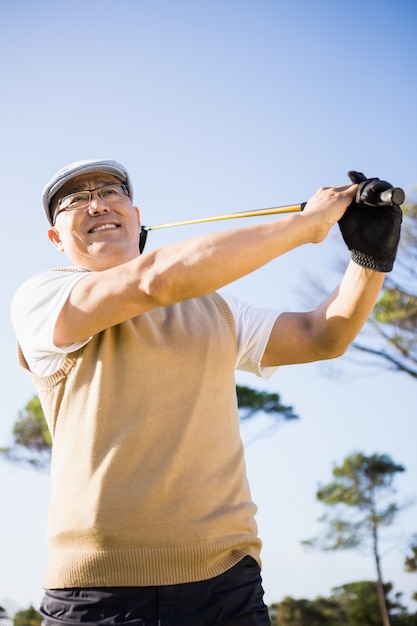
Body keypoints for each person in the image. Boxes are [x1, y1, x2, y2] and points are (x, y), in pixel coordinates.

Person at [11, 159, 402, 626]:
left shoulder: (215, 307)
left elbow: (322, 336)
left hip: (226, 585)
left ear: (137, 218)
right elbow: (152, 281)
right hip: (100, 590)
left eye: (111, 191)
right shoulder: (44, 296)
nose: (96, 204)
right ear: (56, 239)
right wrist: (305, 226)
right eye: (75, 200)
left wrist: (369, 262)